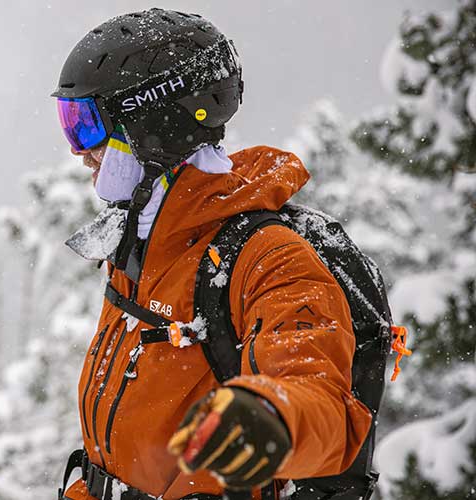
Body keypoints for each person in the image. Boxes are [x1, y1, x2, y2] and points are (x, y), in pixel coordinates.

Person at [53, 9, 383, 500]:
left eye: (87, 125)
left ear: (152, 125)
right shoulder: (139, 243)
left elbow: (322, 399)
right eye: (69, 122)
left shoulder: (268, 258)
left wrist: (273, 416)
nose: (80, 152)